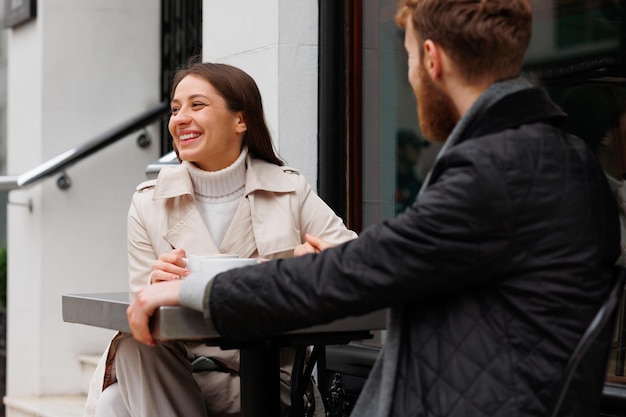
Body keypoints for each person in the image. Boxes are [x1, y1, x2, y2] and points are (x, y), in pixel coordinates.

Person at [127, 1, 622, 416]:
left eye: (406, 59)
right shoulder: (553, 156)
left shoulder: (500, 165)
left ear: (431, 59)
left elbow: (360, 268)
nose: (409, 76)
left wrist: (195, 284)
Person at [84, 61, 357, 417]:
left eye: (197, 105)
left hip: (264, 377)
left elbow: (354, 261)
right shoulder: (147, 203)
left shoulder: (289, 190)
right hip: (178, 371)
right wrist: (154, 283)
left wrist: (311, 264)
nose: (179, 118)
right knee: (135, 350)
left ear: (241, 120)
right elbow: (141, 313)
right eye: (175, 109)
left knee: (115, 405)